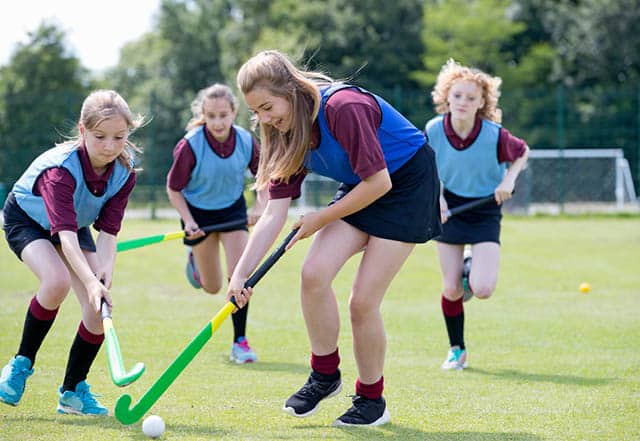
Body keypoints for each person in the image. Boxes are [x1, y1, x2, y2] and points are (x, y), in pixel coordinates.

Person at [227, 50, 441, 426]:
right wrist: (240, 275)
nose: (263, 119)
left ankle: (372, 401)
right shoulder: (284, 133)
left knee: (362, 301)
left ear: (290, 89)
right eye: (255, 112)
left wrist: (320, 218)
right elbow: (274, 213)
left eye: (267, 107)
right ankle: (325, 375)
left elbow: (381, 182)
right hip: (365, 184)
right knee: (313, 273)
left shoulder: (343, 107)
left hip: (406, 184)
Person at [0, 90, 143, 415]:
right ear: (82, 130)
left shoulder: (125, 171)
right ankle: (21, 364)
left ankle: (72, 391)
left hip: (75, 224)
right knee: (56, 281)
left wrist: (104, 272)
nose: (109, 146)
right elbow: (64, 238)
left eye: (119, 137)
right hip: (27, 220)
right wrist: (91, 281)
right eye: (100, 137)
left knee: (97, 309)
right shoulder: (60, 171)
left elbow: (109, 230)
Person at [424, 59, 529, 371]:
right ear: (447, 96)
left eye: (471, 98)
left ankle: (470, 266)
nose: (463, 103)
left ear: (482, 102)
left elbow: (522, 152)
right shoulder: (433, 129)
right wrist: (437, 200)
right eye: (457, 96)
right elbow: (427, 169)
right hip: (450, 209)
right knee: (451, 288)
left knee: (482, 289)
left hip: (484, 209)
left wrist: (508, 180)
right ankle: (457, 350)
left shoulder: (494, 134)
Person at [166, 83, 267, 364]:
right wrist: (187, 221)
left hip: (233, 213)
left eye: (223, 115)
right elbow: (174, 189)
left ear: (234, 113)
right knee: (210, 286)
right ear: (204, 115)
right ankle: (194, 262)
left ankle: (240, 342)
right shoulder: (190, 145)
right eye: (211, 116)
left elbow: (264, 179)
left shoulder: (246, 141)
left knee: (240, 277)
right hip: (199, 216)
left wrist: (260, 206)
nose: (218, 122)